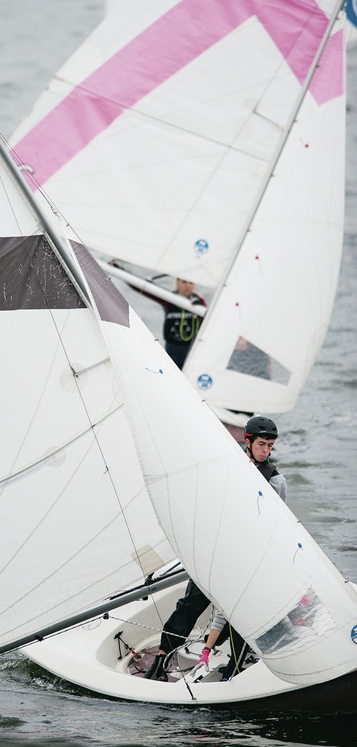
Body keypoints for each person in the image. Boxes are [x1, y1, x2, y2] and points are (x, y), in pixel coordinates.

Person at [144, 416, 285, 681]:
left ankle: (234, 669)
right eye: (262, 444)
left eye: (270, 446)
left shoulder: (275, 481)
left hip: (243, 561)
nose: (266, 451)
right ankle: (162, 658)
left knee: (237, 615)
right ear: (248, 441)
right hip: (213, 556)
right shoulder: (226, 469)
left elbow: (278, 526)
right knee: (189, 606)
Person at [129, 274, 206, 369]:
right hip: (171, 350)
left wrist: (201, 306)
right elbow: (144, 289)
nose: (187, 286)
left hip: (189, 351)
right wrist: (121, 272)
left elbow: (210, 321)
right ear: (177, 282)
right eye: (184, 282)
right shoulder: (169, 299)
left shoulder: (199, 303)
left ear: (194, 285)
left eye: (191, 283)